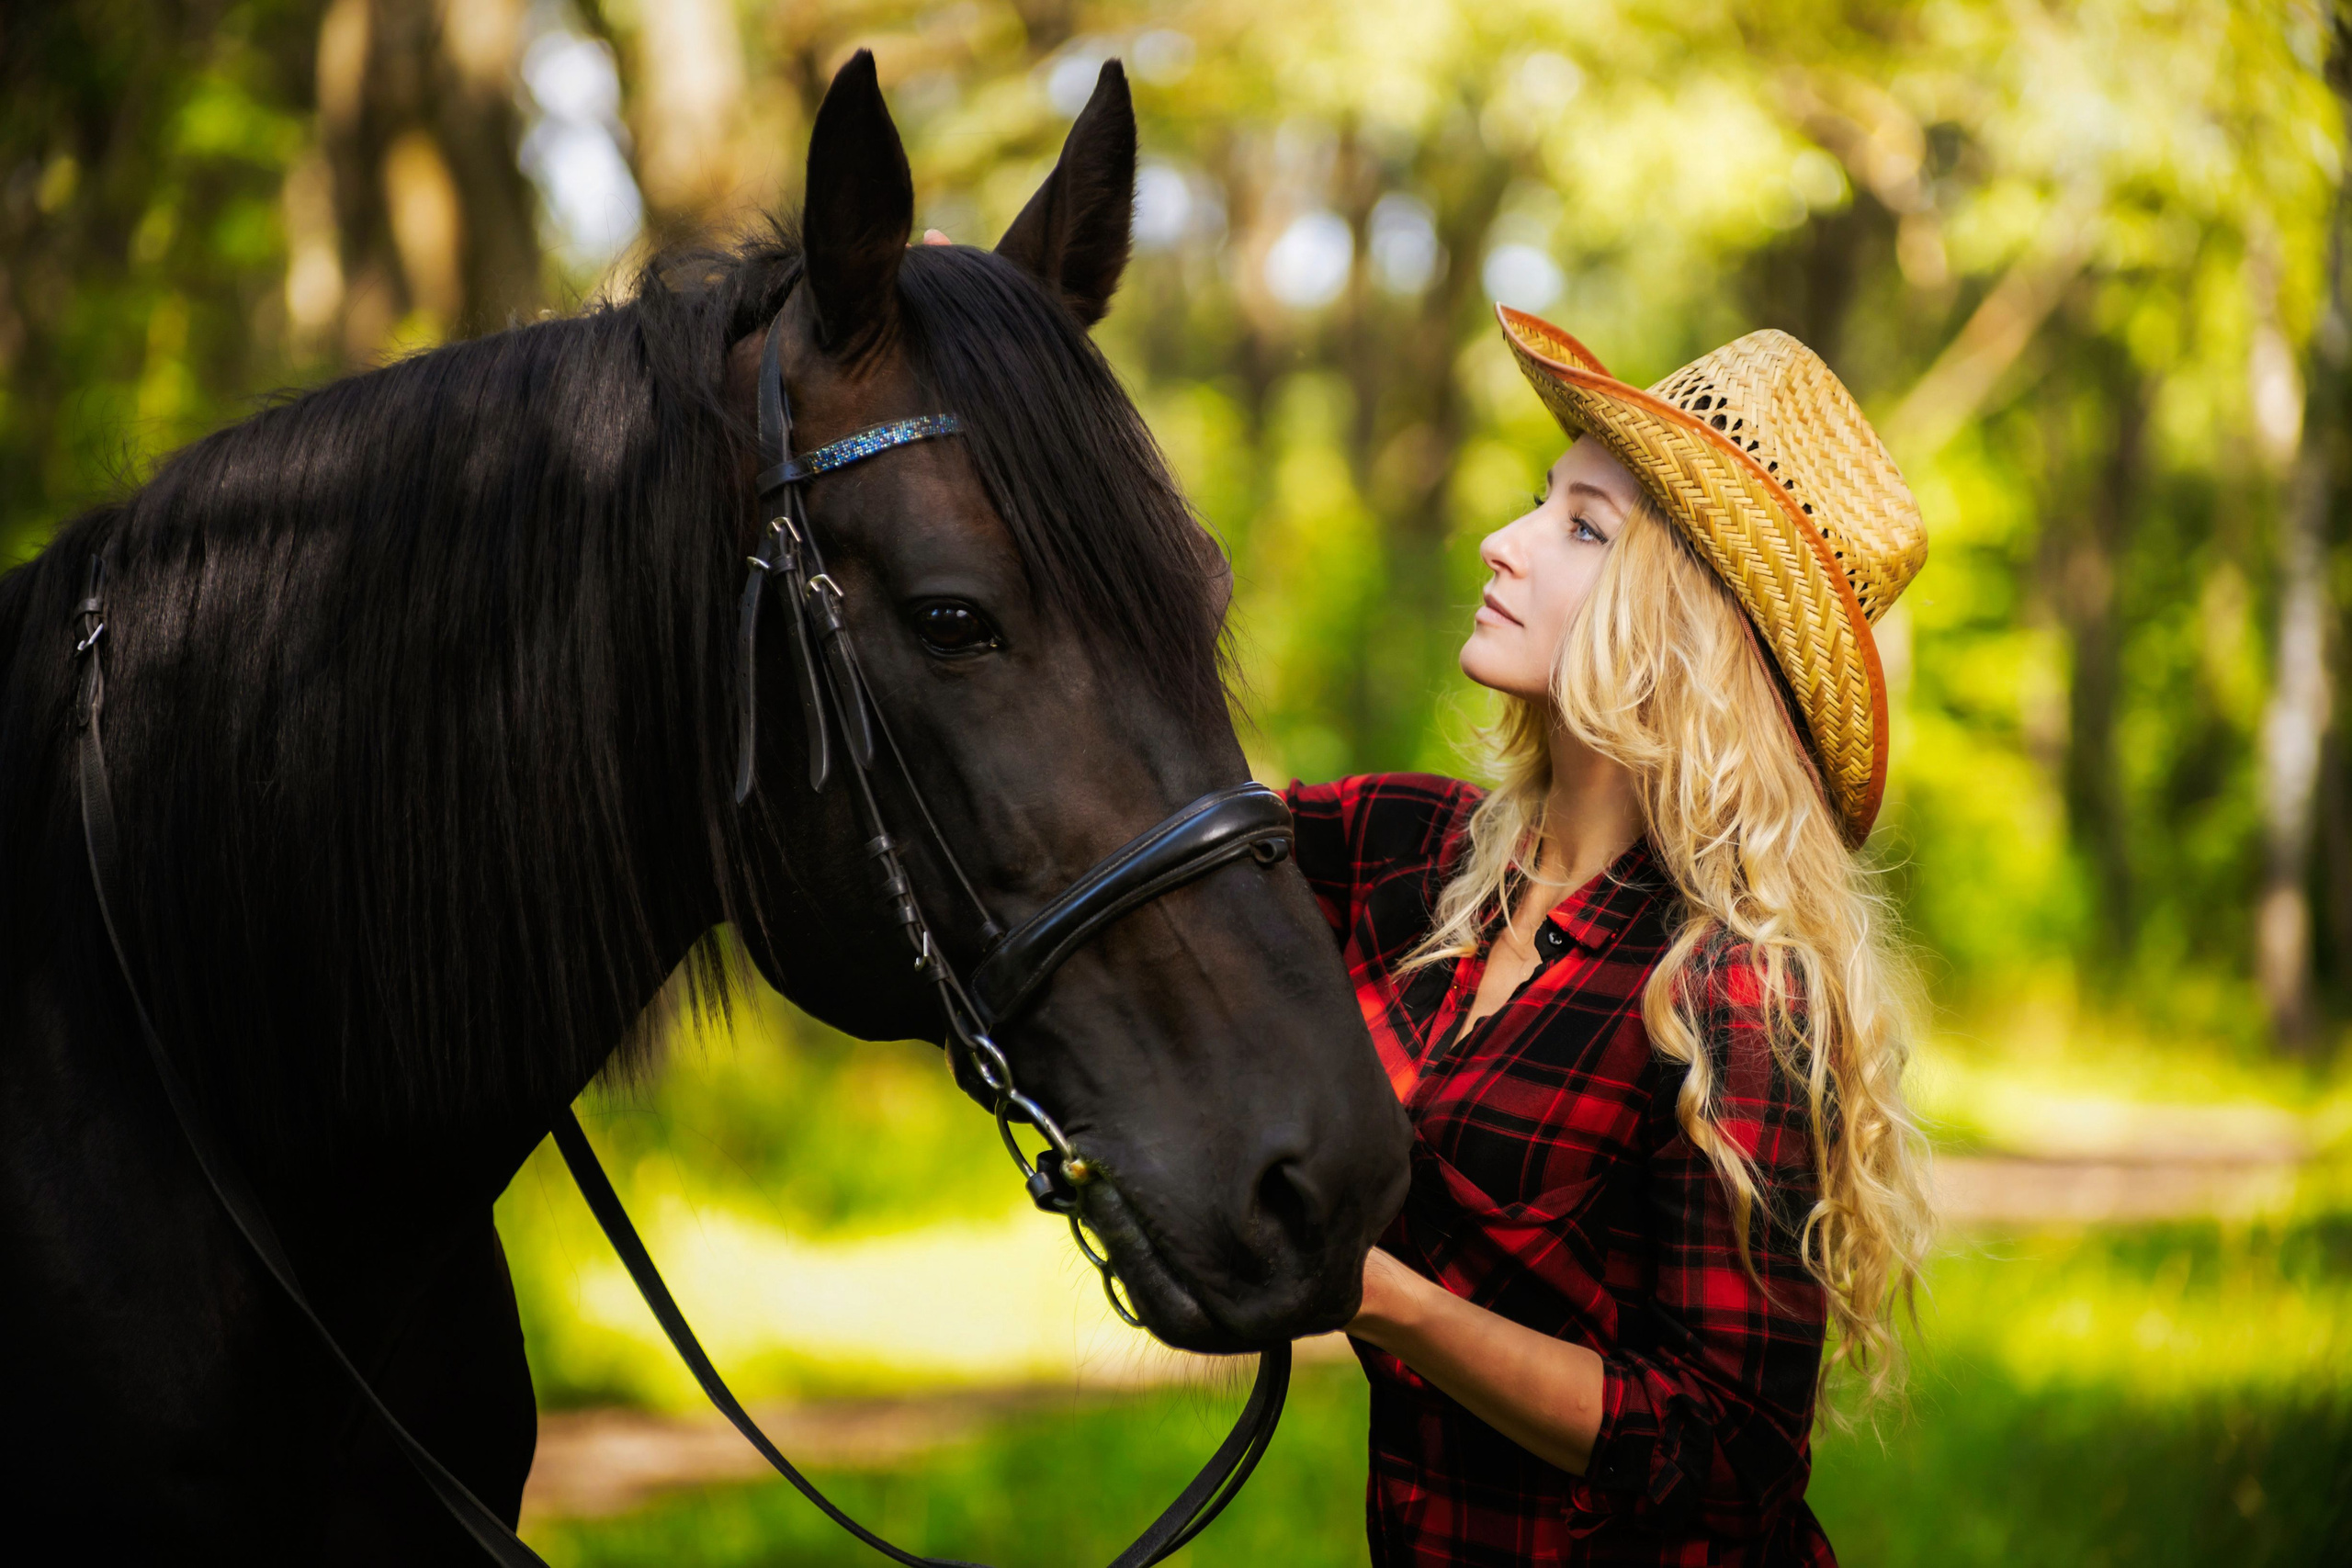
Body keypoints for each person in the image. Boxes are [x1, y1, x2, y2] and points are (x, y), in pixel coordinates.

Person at [1288, 306, 1936, 1565]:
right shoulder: (1410, 855)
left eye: (1582, 528)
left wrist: (1390, 1306)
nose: (1503, 544)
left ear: (1681, 628)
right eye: (1545, 503)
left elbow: (1731, 1457)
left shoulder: (1733, 987)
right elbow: (1131, 835)